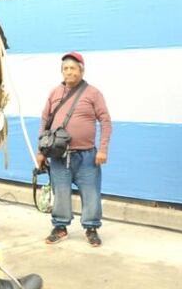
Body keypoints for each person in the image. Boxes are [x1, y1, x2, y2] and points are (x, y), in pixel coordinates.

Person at [35, 52, 111, 248]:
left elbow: (105, 121)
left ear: (81, 71)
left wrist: (103, 149)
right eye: (65, 68)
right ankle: (60, 227)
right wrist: (41, 152)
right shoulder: (54, 93)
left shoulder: (93, 93)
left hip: (87, 156)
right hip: (59, 156)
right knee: (60, 192)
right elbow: (45, 122)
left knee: (91, 193)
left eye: (73, 68)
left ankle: (91, 228)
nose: (69, 72)